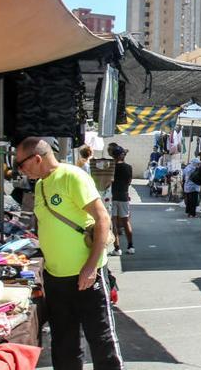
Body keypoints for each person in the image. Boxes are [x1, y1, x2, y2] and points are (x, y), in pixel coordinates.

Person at [14, 137, 122, 370]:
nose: (19, 170)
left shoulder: (72, 176)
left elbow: (102, 218)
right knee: (64, 343)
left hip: (86, 276)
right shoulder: (41, 184)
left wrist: (91, 267)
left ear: (37, 158)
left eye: (21, 164)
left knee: (101, 339)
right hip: (55, 278)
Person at [110, 147, 134, 255]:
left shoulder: (110, 167)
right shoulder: (128, 167)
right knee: (126, 221)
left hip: (112, 196)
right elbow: (129, 181)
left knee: (113, 222)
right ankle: (130, 246)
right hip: (124, 196)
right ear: (121, 155)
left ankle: (117, 248)